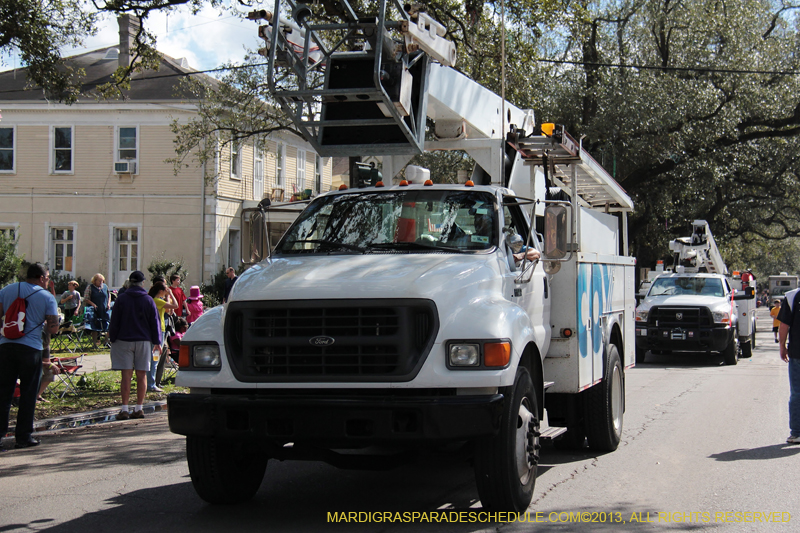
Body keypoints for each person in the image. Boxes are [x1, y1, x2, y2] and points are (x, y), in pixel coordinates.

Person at [0, 263, 60, 449]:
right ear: (41, 278)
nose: (47, 281)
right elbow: (53, 328)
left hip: (6, 346)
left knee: (3, 393)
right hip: (31, 348)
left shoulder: (7, 290)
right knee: (28, 393)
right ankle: (23, 436)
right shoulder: (47, 297)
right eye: (47, 278)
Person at [108, 271, 161, 420]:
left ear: (130, 283)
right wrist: (157, 341)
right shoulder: (148, 300)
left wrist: (112, 337)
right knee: (141, 375)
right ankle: (139, 408)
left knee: (126, 376)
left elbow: (115, 320)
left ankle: (124, 408)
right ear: (143, 283)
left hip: (123, 340)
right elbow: (154, 322)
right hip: (143, 340)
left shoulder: (121, 298)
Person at [776, 289, 800, 444]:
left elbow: (784, 324)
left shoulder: (792, 296)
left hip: (797, 353)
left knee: (797, 393)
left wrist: (782, 346)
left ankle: (797, 433)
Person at [147, 281, 178, 392]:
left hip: (158, 330)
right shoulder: (157, 301)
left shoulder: (153, 300)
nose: (167, 291)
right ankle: (151, 384)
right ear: (161, 291)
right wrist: (171, 294)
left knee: (154, 358)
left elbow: (169, 311)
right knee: (155, 358)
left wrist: (167, 296)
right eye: (165, 290)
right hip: (159, 330)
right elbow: (175, 305)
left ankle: (151, 382)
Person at [84, 273, 111, 347]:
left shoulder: (105, 287)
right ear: (95, 281)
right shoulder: (90, 287)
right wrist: (93, 304)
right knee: (95, 327)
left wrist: (108, 303)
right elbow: (86, 299)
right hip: (94, 310)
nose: (101, 282)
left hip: (104, 309)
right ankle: (94, 343)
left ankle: (106, 341)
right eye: (99, 281)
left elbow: (109, 295)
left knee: (108, 325)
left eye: (102, 281)